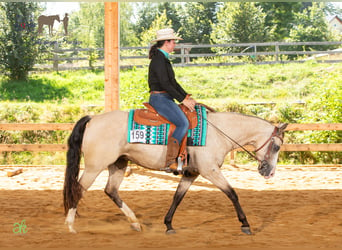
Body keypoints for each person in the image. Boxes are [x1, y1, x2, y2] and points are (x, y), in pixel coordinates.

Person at [148, 28, 197, 173]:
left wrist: (186, 96)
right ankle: (170, 161)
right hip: (160, 98)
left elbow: (172, 82)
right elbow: (165, 83)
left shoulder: (162, 58)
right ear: (166, 43)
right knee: (183, 123)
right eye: (173, 41)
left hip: (165, 97)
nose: (175, 43)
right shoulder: (159, 59)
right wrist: (182, 99)